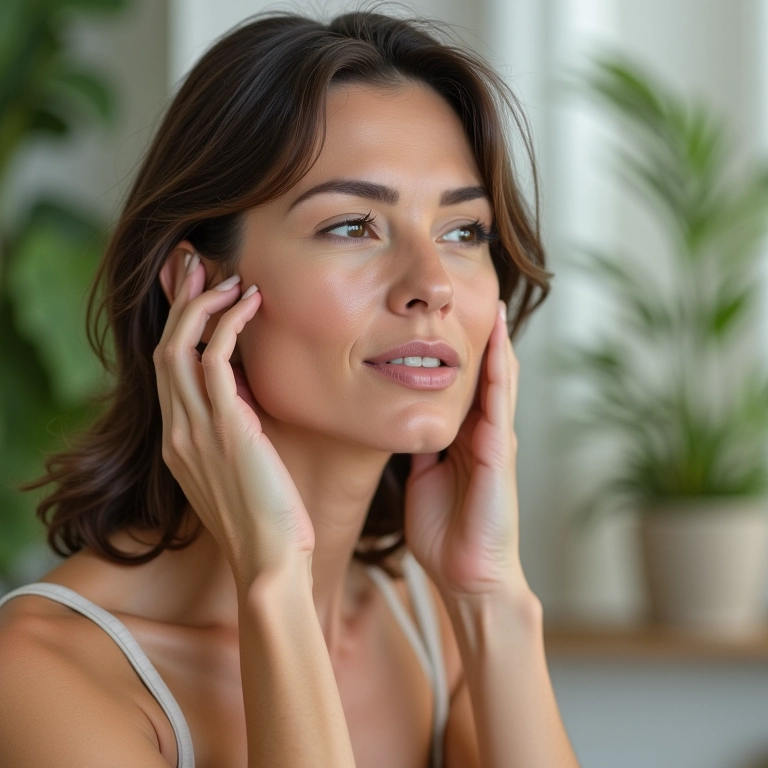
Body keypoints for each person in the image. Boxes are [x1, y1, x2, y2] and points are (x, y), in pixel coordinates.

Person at [0, 9, 580, 768]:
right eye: (351, 226)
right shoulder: (42, 677)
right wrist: (275, 586)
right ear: (198, 285)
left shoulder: (430, 615)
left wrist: (492, 599)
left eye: (464, 231)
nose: (432, 285)